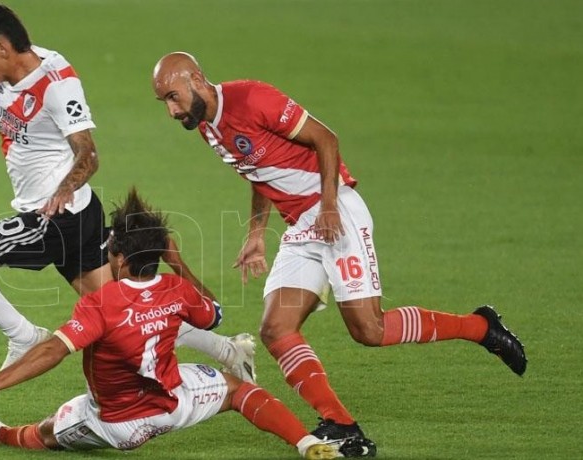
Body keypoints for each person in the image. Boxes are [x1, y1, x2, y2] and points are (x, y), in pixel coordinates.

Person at [151, 52, 528, 456]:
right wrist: (257, 233)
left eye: (174, 96)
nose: (172, 110)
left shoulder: (253, 98)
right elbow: (259, 173)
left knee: (369, 329)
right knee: (276, 329)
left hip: (336, 213)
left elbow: (325, 138)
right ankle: (342, 424)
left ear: (196, 79)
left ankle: (480, 327)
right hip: (302, 227)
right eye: (165, 103)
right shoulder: (208, 128)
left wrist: (329, 206)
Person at [0, 4, 256, 379]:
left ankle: (22, 336)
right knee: (120, 313)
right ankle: (228, 351)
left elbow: (88, 154)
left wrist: (62, 190)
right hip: (79, 215)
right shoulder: (6, 71)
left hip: (53, 217)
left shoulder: (56, 85)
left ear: (3, 48)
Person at [0, 189, 354, 459]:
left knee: (48, 433)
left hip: (116, 425)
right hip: (174, 403)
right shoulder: (178, 291)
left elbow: (55, 349)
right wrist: (178, 265)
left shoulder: (100, 303)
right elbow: (214, 314)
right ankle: (306, 442)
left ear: (119, 259)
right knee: (237, 391)